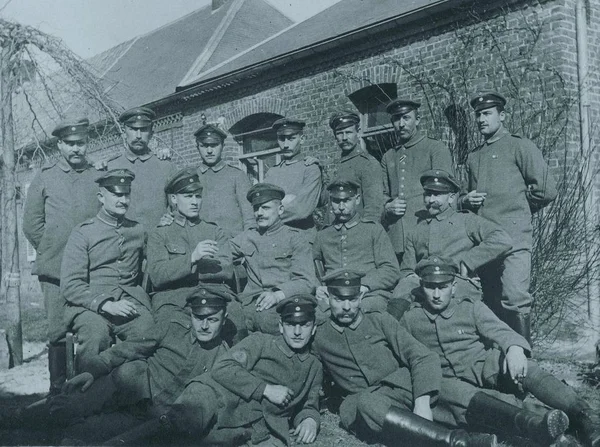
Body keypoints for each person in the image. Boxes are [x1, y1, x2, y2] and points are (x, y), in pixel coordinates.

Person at [402, 257, 600, 447]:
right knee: (495, 402)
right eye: (430, 287)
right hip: (455, 388)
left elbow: (502, 331)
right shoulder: (410, 319)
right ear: (421, 286)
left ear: (453, 287)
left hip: (483, 367)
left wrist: (514, 348)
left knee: (525, 367)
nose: (436, 295)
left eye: (443, 287)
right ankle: (551, 424)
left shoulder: (470, 308)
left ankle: (586, 418)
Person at [8, 285, 232, 445]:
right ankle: (16, 416)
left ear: (224, 317)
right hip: (126, 386)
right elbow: (129, 348)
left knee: (85, 434)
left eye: (212, 319)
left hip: (144, 416)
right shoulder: (172, 327)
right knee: (69, 407)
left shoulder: (223, 357)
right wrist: (90, 372)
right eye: (198, 317)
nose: (203, 326)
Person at [311, 271, 497, 447]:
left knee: (456, 392)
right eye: (339, 299)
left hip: (403, 385)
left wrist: (422, 402)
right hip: (368, 402)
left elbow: (422, 356)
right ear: (327, 298)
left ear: (360, 297)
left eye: (351, 299)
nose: (346, 307)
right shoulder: (319, 336)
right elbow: (306, 375)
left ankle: (523, 419)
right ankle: (457, 441)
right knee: (369, 404)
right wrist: (308, 416)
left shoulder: (379, 320)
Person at [153, 295, 322, 447]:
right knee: (169, 430)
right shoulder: (261, 342)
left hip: (249, 424)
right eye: (291, 324)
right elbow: (223, 366)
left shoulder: (314, 366)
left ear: (313, 328)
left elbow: (309, 404)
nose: (297, 332)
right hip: (212, 397)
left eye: (304, 325)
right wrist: (266, 389)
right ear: (281, 326)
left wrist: (309, 419)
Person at [459, 92, 558, 341]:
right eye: (478, 115)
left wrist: (519, 210)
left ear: (501, 116)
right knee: (491, 300)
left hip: (514, 238)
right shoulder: (474, 156)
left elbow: (546, 190)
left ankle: (524, 367)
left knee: (515, 297)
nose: (481, 119)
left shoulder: (519, 146)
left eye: (487, 113)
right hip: (486, 243)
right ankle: (499, 368)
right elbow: (463, 197)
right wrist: (465, 200)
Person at [22, 117, 100, 394]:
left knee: (92, 325)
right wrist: (54, 248)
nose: (76, 149)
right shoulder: (45, 177)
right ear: (60, 145)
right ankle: (57, 391)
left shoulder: (96, 176)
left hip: (90, 268)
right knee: (57, 331)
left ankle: (87, 389)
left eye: (81, 143)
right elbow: (31, 224)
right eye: (70, 144)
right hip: (54, 269)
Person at [61, 169, 154, 373]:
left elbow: (155, 262)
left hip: (128, 302)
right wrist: (106, 304)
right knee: (95, 335)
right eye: (117, 194)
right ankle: (85, 394)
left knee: (149, 331)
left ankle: (127, 387)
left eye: (126, 194)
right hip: (88, 306)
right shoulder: (83, 233)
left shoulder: (137, 230)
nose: (123, 200)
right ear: (101, 197)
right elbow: (71, 285)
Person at [393, 169, 512, 317]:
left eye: (437, 195)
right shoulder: (417, 230)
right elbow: (406, 269)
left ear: (451, 197)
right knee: (401, 293)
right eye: (427, 195)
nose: (430, 200)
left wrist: (469, 261)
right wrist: (410, 276)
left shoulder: (467, 221)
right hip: (425, 284)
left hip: (458, 283)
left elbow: (501, 239)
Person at [230, 183, 318, 335]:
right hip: (250, 304)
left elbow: (306, 281)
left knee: (271, 323)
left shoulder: (295, 239)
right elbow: (221, 252)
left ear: (281, 209)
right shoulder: (248, 237)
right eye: (256, 208)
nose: (260, 213)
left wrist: (278, 294)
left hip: (284, 303)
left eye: (266, 208)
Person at [146, 169, 234, 320]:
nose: (195, 202)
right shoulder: (160, 233)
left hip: (215, 294)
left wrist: (184, 270)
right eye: (188, 196)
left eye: (198, 196)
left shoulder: (214, 231)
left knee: (236, 316)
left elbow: (226, 269)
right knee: (172, 327)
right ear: (174, 199)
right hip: (174, 299)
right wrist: (192, 258)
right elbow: (157, 275)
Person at [381, 99, 454, 262]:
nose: (401, 124)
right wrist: (388, 206)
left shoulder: (434, 149)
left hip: (428, 235)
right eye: (396, 119)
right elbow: (383, 194)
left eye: (406, 118)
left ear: (418, 120)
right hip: (397, 239)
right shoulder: (388, 156)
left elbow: (449, 195)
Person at [313, 178, 399, 312]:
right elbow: (311, 269)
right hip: (333, 295)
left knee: (364, 312)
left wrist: (365, 285)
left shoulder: (373, 230)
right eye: (336, 201)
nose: (341, 207)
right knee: (316, 316)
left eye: (346, 200)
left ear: (357, 199)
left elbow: (391, 269)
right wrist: (318, 287)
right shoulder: (323, 235)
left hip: (368, 294)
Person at [104, 106, 175, 229]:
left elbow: (177, 207)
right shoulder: (111, 167)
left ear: (151, 133)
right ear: (124, 131)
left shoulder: (166, 166)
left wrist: (170, 218)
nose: (138, 135)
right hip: (123, 242)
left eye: (143, 129)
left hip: (158, 240)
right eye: (133, 129)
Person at [264, 118, 322, 240]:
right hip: (275, 239)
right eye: (282, 139)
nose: (286, 144)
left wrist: (270, 214)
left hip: (302, 238)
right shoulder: (272, 172)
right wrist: (288, 200)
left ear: (302, 139)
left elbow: (301, 209)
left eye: (291, 138)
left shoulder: (310, 169)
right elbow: (262, 206)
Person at [194, 123, 255, 238]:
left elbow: (249, 218)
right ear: (197, 146)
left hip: (232, 245)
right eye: (204, 145)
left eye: (214, 145)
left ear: (223, 145)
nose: (209, 150)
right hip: (201, 245)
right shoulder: (192, 177)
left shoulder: (237, 176)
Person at [329, 110, 383, 222]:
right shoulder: (338, 164)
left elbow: (373, 210)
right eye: (339, 133)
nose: (344, 138)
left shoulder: (368, 164)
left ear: (358, 132)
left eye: (348, 132)